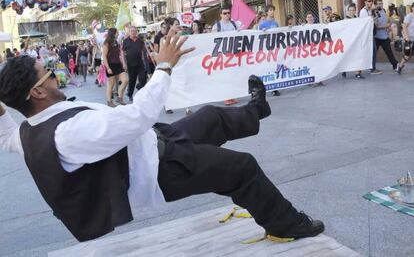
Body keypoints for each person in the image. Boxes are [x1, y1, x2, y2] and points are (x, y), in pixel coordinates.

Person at [0, 29, 324, 243]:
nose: (57, 74)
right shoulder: (68, 134)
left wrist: (1, 113)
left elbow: (7, 136)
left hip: (156, 142)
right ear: (38, 91)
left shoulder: (32, 129)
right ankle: (285, 225)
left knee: (211, 117)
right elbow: (138, 115)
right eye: (50, 72)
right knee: (242, 168)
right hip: (161, 169)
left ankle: (257, 109)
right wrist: (165, 67)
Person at [212, 7, 240, 105]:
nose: (227, 15)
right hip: (222, 55)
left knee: (233, 75)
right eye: (225, 13)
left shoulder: (234, 24)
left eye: (228, 13)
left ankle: (232, 96)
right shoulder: (217, 26)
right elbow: (212, 39)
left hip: (233, 54)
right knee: (225, 76)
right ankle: (226, 97)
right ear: (220, 15)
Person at [258, 5, 281, 97]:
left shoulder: (276, 22)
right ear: (267, 12)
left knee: (276, 66)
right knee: (269, 67)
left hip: (275, 47)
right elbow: (258, 36)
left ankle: (275, 87)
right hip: (267, 49)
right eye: (270, 10)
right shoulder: (262, 24)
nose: (272, 12)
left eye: (273, 10)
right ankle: (271, 87)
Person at [102, 28, 128, 107]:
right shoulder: (107, 43)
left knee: (126, 80)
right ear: (113, 33)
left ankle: (119, 97)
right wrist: (108, 68)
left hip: (118, 65)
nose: (118, 34)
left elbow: (120, 54)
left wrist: (123, 63)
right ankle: (109, 101)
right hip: (110, 65)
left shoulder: (116, 42)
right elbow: (104, 56)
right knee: (111, 84)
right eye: (117, 32)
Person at [372, 0, 399, 72]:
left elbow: (386, 20)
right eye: (379, 3)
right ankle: (370, 67)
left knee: (389, 52)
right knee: (373, 54)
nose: (380, 5)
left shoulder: (383, 10)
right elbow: (377, 26)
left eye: (381, 3)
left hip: (384, 36)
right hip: (376, 37)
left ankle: (395, 65)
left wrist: (389, 26)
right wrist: (386, 26)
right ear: (375, 4)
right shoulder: (374, 12)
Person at [123, 26, 147, 102]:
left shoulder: (140, 40)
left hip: (140, 63)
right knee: (132, 80)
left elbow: (143, 51)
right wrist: (124, 63)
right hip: (130, 64)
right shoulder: (125, 41)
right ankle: (130, 94)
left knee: (143, 78)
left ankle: (139, 88)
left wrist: (144, 61)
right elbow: (122, 53)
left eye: (135, 31)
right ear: (129, 32)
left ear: (137, 32)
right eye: (132, 31)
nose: (133, 32)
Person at [359, 0, 382, 74]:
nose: (371, 2)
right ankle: (372, 68)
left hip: (371, 33)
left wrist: (375, 14)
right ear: (365, 2)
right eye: (369, 1)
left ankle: (371, 67)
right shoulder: (363, 11)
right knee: (373, 50)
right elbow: (366, 23)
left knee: (373, 50)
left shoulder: (370, 11)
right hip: (367, 34)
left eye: (372, 1)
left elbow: (375, 20)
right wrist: (373, 17)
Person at [342, 3, 364, 79]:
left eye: (353, 10)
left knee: (358, 56)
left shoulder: (358, 19)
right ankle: (344, 69)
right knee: (347, 57)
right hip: (348, 42)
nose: (352, 12)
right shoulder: (345, 20)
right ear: (348, 11)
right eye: (350, 10)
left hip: (357, 41)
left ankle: (357, 73)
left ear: (355, 11)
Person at [397, 2, 414, 74]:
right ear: (412, 8)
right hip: (410, 39)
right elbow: (404, 27)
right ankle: (400, 66)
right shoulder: (409, 16)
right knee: (407, 55)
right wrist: (406, 37)